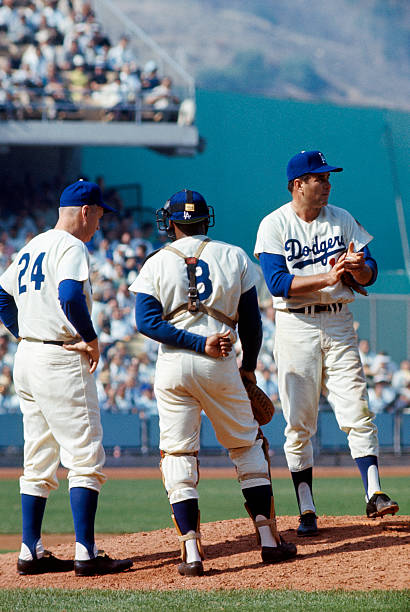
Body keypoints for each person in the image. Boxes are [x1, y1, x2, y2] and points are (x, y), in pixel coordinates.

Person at [129, 189, 296, 577]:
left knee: (178, 454)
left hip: (173, 365)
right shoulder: (234, 254)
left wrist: (190, 340)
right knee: (246, 446)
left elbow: (146, 323)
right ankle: (269, 540)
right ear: (207, 220)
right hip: (219, 359)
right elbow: (252, 324)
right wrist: (248, 367)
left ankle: (191, 552)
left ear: (169, 223)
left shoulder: (155, 262)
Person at [254, 150, 399, 536]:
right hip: (295, 325)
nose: (327, 184)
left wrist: (358, 270)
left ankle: (375, 493)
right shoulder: (274, 225)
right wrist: (328, 274)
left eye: (328, 178)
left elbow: (371, 272)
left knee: (357, 407)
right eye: (320, 178)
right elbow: (278, 284)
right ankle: (306, 509)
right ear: (298, 185)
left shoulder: (343, 219)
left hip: (338, 320)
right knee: (300, 422)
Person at [0, 180, 133, 577]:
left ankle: (30, 550)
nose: (99, 226)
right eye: (99, 216)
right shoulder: (72, 247)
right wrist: (91, 339)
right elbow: (72, 296)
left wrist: (21, 333)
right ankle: (86, 553)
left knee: (37, 455)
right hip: (61, 355)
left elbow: (2, 296)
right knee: (85, 456)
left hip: (27, 357)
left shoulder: (31, 245)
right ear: (86, 211)